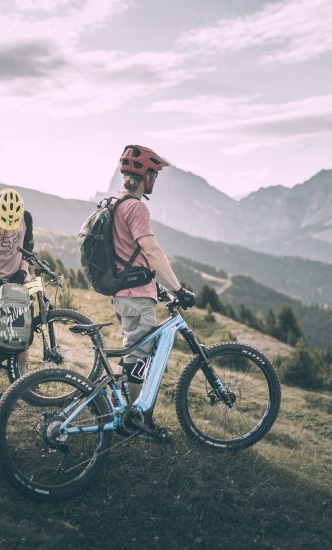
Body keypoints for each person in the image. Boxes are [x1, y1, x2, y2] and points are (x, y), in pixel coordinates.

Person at [111, 144, 195, 434]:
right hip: (135, 297)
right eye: (154, 175)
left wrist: (154, 285)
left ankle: (125, 409)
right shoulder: (136, 207)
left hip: (126, 292)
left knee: (134, 351)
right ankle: (132, 420)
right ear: (145, 175)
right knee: (138, 358)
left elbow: (126, 253)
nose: (155, 180)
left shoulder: (116, 202)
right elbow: (151, 249)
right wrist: (177, 287)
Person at [0, 188, 34, 405]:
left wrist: (23, 271)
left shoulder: (26, 218)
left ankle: (24, 383)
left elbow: (28, 250)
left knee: (22, 330)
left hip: (16, 281)